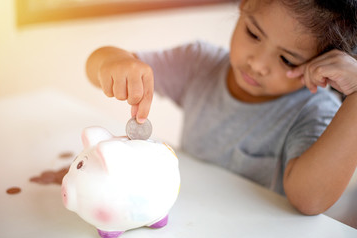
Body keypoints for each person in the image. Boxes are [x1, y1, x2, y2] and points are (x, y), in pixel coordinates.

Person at [85, 0, 357, 215]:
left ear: (324, 71)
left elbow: (311, 200)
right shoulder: (198, 63)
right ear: (243, 5)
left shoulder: (315, 112)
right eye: (253, 34)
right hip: (184, 216)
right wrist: (114, 61)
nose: (258, 64)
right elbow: (94, 68)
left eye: (287, 60)